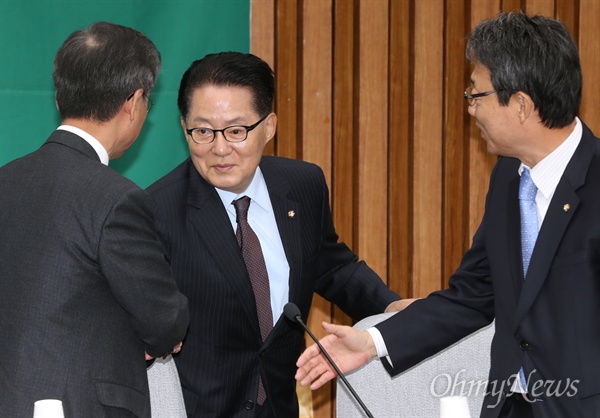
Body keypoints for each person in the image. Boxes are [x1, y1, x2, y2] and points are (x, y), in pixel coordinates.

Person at [296, 11, 600, 418]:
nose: (470, 109)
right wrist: (372, 342)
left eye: (476, 94)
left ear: (522, 105)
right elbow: (472, 295)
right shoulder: (510, 176)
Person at [146, 51, 411, 417]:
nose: (219, 148)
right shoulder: (158, 210)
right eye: (203, 131)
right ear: (184, 127)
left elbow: (330, 266)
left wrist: (391, 307)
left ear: (269, 126)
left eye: (236, 131)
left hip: (280, 405)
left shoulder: (302, 185)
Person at [0, 22, 189, 417]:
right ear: (134, 102)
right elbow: (164, 319)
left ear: (59, 95)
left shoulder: (6, 180)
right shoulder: (117, 200)